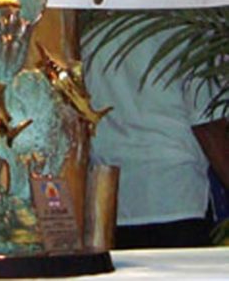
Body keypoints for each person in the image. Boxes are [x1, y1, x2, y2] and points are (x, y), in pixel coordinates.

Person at [82, 18, 229, 249]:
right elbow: (207, 122)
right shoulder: (190, 28)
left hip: (110, 198)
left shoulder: (92, 34)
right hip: (175, 195)